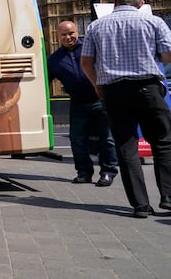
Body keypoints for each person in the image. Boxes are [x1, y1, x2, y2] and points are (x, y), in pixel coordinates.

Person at [80, 0, 171, 218]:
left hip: (114, 91)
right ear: (141, 3)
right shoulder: (154, 22)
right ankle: (168, 198)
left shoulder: (96, 26)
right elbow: (168, 54)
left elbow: (86, 62)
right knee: (163, 142)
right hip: (148, 88)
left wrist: (97, 84)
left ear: (114, 1)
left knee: (126, 146)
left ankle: (140, 206)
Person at [47, 20, 118, 186]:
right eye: (63, 34)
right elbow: (45, 82)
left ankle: (108, 172)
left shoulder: (91, 48)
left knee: (106, 139)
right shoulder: (54, 59)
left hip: (99, 99)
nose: (68, 37)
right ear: (57, 36)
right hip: (77, 103)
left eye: (71, 33)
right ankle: (84, 172)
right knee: (77, 140)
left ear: (77, 32)